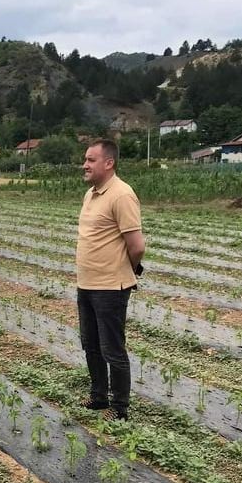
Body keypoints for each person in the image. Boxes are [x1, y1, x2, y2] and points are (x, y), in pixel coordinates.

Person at [76, 138, 145, 421]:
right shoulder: (91, 194)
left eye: (91, 160)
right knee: (90, 344)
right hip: (87, 284)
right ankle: (98, 396)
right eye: (85, 159)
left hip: (110, 288)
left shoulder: (121, 195)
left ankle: (119, 408)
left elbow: (137, 245)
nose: (85, 164)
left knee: (112, 349)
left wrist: (126, 268)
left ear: (109, 162)